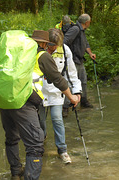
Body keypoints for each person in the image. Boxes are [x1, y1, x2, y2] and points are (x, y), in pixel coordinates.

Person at [0, 30, 80, 180]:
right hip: (23, 101)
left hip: (4, 99)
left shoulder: (18, 54)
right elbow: (58, 79)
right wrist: (72, 97)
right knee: (36, 144)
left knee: (11, 138)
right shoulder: (42, 55)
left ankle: (16, 172)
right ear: (43, 43)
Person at [39, 28, 82, 164]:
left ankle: (62, 150)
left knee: (57, 119)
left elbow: (71, 73)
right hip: (39, 91)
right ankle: (40, 147)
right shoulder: (38, 51)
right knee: (40, 123)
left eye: (55, 45)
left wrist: (76, 91)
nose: (53, 48)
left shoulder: (65, 51)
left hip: (57, 91)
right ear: (46, 43)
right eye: (50, 45)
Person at [63, 13, 96, 113]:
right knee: (70, 83)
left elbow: (85, 43)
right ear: (87, 22)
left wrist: (90, 53)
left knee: (83, 82)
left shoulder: (82, 31)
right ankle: (65, 107)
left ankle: (84, 101)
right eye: (89, 22)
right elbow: (64, 42)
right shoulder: (75, 29)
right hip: (72, 61)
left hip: (80, 60)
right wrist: (69, 57)